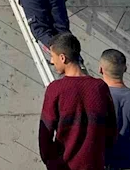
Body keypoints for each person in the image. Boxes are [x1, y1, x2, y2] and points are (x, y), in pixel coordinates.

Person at [39, 33, 117, 170]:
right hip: (95, 164)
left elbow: (45, 133)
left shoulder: (55, 89)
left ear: (62, 58)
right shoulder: (100, 87)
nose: (52, 61)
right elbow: (111, 130)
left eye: (53, 56)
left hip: (63, 165)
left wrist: (51, 162)